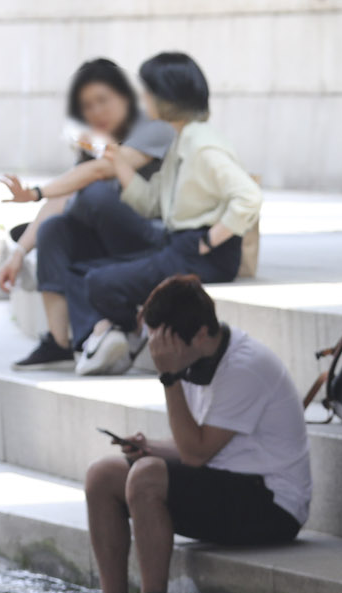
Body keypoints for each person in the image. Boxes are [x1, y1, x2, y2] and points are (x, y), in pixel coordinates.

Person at [83, 276, 309, 593]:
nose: (157, 352)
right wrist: (149, 447)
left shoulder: (245, 367)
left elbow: (195, 453)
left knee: (146, 477)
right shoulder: (192, 356)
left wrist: (169, 378)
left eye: (164, 342)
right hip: (228, 477)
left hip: (273, 506)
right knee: (102, 476)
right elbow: (203, 444)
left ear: (201, 334)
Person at [37, 51, 262, 378]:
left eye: (148, 91)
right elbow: (151, 202)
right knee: (80, 272)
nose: (143, 98)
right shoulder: (181, 140)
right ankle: (102, 339)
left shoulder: (202, 145)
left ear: (167, 96)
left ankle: (127, 334)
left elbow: (248, 197)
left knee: (99, 282)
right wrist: (116, 160)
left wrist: (208, 242)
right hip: (178, 245)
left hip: (201, 254)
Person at [5, 58, 174, 369]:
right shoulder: (95, 139)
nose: (95, 111)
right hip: (112, 238)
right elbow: (62, 196)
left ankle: (105, 332)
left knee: (92, 194)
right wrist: (18, 253)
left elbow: (100, 172)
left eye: (102, 100)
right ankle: (70, 343)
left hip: (154, 237)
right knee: (53, 231)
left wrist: (38, 191)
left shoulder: (155, 128)